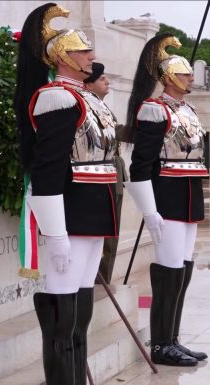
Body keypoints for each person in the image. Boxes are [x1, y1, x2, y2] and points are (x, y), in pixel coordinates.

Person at [14, 3, 122, 385]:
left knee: (79, 306)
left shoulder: (83, 97)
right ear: (62, 57)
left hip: (93, 210)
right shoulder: (56, 97)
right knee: (62, 308)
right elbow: (48, 168)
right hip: (70, 211)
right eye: (82, 50)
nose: (90, 54)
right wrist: (55, 235)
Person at [125, 34, 209, 367]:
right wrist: (149, 210)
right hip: (168, 195)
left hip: (189, 194)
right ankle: (160, 343)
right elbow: (140, 164)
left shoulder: (187, 109)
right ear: (170, 77)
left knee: (183, 269)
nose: (191, 78)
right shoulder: (154, 110)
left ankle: (172, 338)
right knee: (170, 268)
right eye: (186, 74)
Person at [82, 62, 127, 285]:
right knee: (102, 234)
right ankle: (95, 278)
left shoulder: (103, 107)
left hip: (115, 174)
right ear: (88, 85)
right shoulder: (89, 107)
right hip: (100, 174)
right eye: (101, 79)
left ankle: (103, 278)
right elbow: (115, 132)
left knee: (112, 235)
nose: (107, 82)